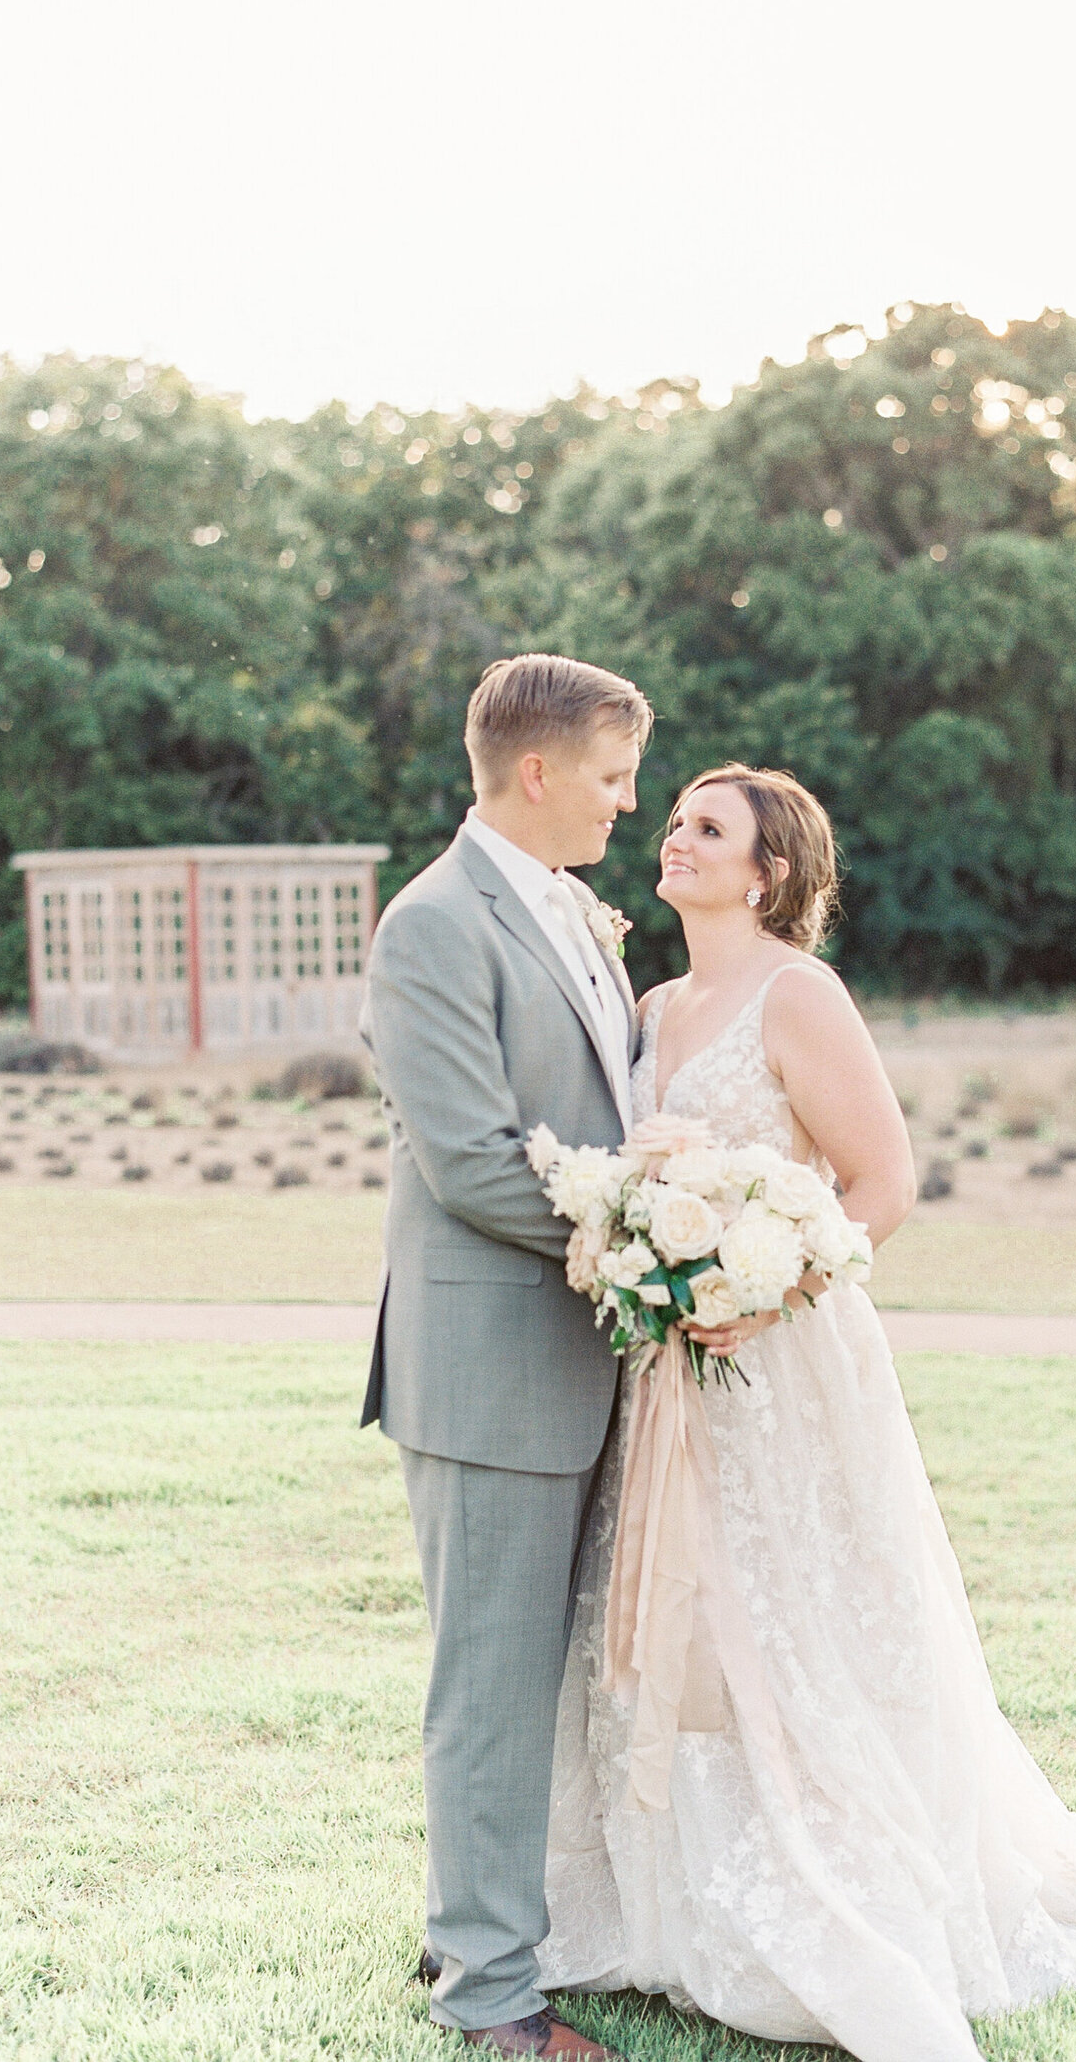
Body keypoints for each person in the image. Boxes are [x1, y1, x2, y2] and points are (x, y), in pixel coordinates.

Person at [538, 764, 1076, 2062]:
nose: (673, 839)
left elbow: (881, 1180)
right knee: (688, 1621)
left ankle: (841, 1865)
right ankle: (667, 1888)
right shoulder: (652, 1006)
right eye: (672, 820)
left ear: (769, 872)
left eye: (706, 829)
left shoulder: (800, 996)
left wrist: (761, 1285)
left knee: (802, 1611)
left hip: (785, 1365)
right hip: (668, 1374)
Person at [361, 652, 651, 2059]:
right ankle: (489, 2004)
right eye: (610, 776)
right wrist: (652, 1241)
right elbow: (475, 1163)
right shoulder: (433, 926)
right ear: (536, 773)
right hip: (485, 1373)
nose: (626, 803)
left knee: (536, 1686)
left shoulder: (570, 917)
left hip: (574, 1358)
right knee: (486, 1692)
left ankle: (492, 1929)